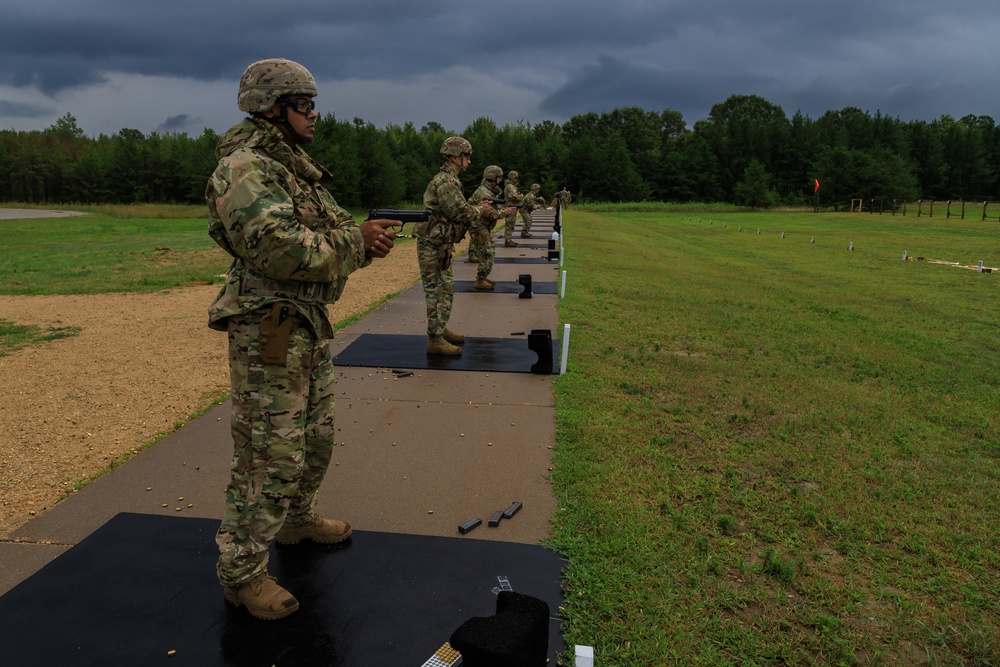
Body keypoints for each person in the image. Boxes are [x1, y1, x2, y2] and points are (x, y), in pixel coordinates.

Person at [206, 57, 398, 620]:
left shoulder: (289, 166)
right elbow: (282, 249)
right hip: (270, 324)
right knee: (270, 451)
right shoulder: (244, 169)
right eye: (304, 105)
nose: (314, 115)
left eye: (313, 104)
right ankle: (241, 574)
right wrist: (357, 242)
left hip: (303, 323)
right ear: (272, 107)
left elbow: (329, 232)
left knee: (314, 437)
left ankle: (295, 519)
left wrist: (359, 239)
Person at [417, 136, 494, 354]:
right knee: (437, 291)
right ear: (454, 157)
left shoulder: (450, 180)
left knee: (445, 289)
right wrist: (481, 210)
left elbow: (458, 207)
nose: (469, 161)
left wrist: (477, 207)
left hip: (440, 244)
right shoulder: (446, 182)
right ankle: (435, 339)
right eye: (466, 156)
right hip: (433, 244)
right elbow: (459, 212)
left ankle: (439, 329)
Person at [468, 165, 516, 290]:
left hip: (481, 225)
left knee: (486, 252)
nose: (500, 181)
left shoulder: (489, 191)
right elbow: (490, 213)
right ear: (492, 178)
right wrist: (506, 212)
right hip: (478, 225)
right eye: (498, 178)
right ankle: (480, 279)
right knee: (487, 252)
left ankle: (482, 277)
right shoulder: (484, 192)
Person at [502, 170, 524, 247]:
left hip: (512, 207)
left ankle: (508, 239)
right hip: (510, 207)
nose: (516, 180)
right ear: (512, 177)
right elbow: (513, 196)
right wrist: (520, 196)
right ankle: (507, 240)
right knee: (509, 224)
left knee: (511, 224)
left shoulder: (511, 186)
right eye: (515, 178)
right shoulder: (510, 186)